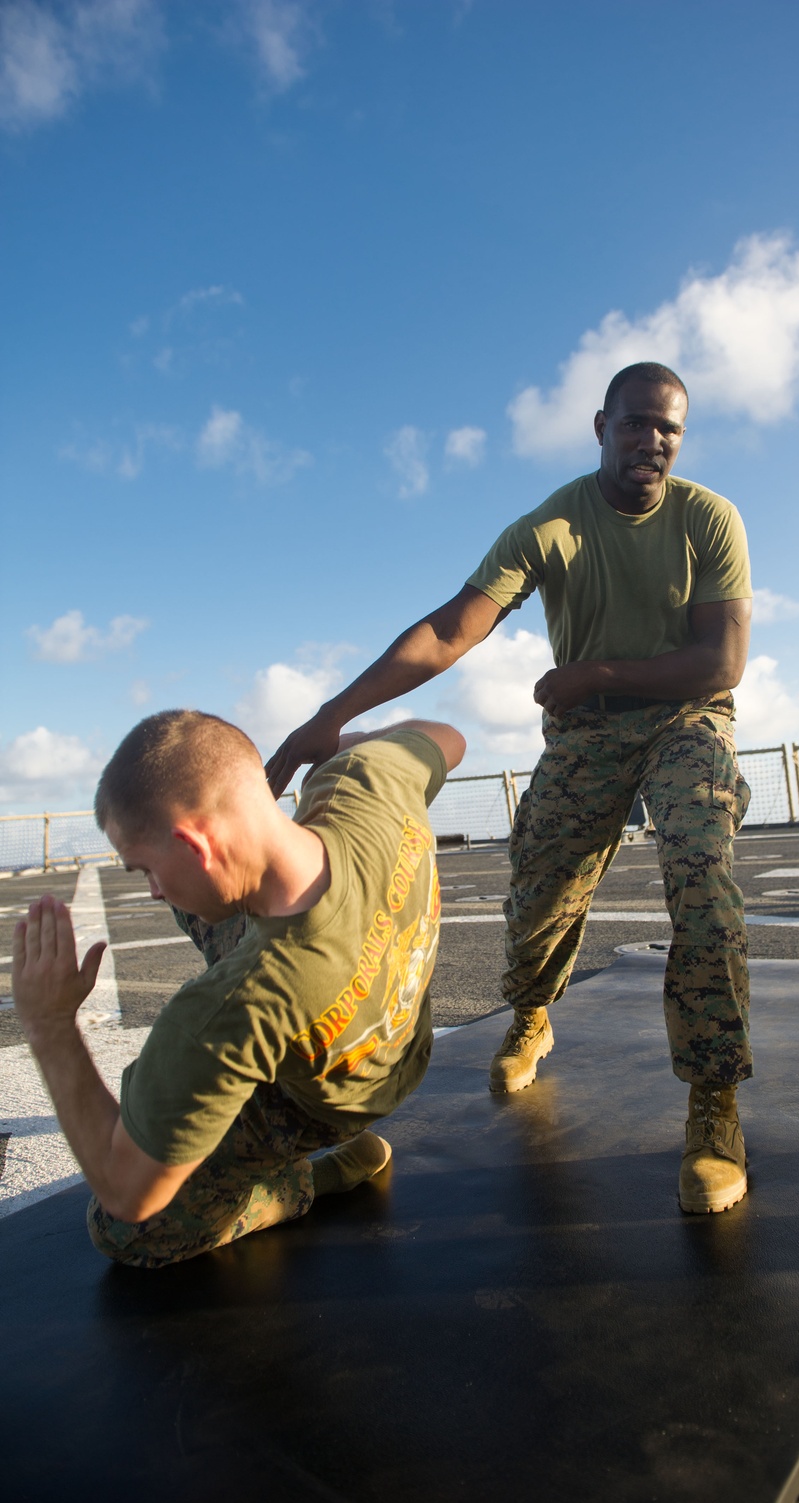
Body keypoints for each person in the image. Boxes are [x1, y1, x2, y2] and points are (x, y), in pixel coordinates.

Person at [266, 362, 753, 1215]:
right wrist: (329, 716)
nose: (652, 442)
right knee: (538, 892)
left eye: (668, 428)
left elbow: (721, 661)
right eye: (636, 424)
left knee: (701, 868)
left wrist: (592, 667)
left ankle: (713, 1102)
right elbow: (454, 627)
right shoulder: (552, 524)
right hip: (588, 732)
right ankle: (533, 1010)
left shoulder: (708, 518)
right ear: (601, 427)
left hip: (687, 718)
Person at [12, 708, 465, 1268]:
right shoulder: (365, 781)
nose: (153, 891)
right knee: (204, 913)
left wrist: (49, 1025)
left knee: (125, 1235)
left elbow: (127, 1193)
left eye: (146, 870)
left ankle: (305, 1182)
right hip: (403, 1043)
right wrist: (351, 744)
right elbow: (447, 737)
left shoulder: (226, 1012)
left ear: (195, 845)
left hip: (324, 1104)